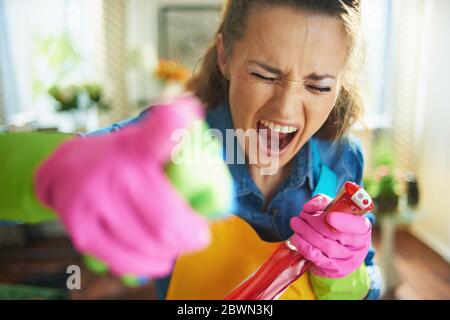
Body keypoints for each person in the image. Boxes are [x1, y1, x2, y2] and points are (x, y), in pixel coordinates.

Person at [0, 0, 381, 299]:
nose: (285, 108)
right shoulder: (172, 144)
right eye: (265, 74)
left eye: (318, 86)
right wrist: (62, 170)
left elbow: (365, 284)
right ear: (225, 56)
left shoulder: (342, 158)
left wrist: (345, 275)